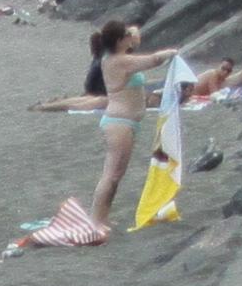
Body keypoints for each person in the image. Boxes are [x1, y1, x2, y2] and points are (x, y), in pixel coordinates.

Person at [39, 20, 184, 227]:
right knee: (111, 174)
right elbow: (153, 60)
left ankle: (102, 217)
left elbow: (136, 43)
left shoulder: (119, 57)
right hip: (119, 122)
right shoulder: (117, 61)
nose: (129, 38)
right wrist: (172, 52)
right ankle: (96, 220)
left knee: (117, 175)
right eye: (125, 36)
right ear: (118, 40)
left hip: (128, 122)